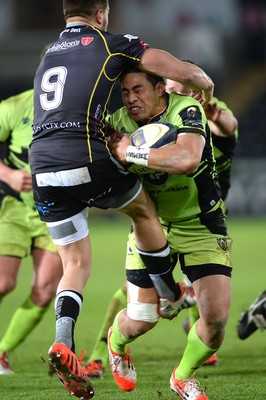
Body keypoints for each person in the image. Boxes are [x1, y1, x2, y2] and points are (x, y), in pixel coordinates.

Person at [29, 1, 214, 399]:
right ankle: (170, 292)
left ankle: (64, 341)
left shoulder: (47, 55)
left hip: (41, 166)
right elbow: (184, 73)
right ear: (101, 12)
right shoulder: (113, 44)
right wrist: (206, 86)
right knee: (141, 208)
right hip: (83, 156)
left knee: (74, 263)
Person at [85, 75, 238, 377]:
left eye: (137, 90)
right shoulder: (117, 123)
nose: (130, 98)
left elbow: (202, 149)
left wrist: (129, 152)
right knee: (142, 318)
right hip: (151, 225)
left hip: (201, 221)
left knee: (216, 315)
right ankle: (114, 343)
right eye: (125, 92)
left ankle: (182, 377)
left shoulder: (191, 110)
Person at [165, 78, 239, 367]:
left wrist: (215, 115)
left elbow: (229, 127)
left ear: (196, 92)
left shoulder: (210, 111)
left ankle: (196, 342)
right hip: (167, 218)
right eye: (172, 91)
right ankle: (99, 353)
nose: (178, 97)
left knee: (206, 289)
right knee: (132, 296)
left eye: (184, 92)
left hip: (207, 217)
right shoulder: (158, 118)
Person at [0, 88, 63, 375]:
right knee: (3, 284)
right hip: (13, 208)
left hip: (57, 211)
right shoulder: (14, 106)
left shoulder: (82, 108)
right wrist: (9, 175)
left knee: (45, 289)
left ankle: (2, 353)